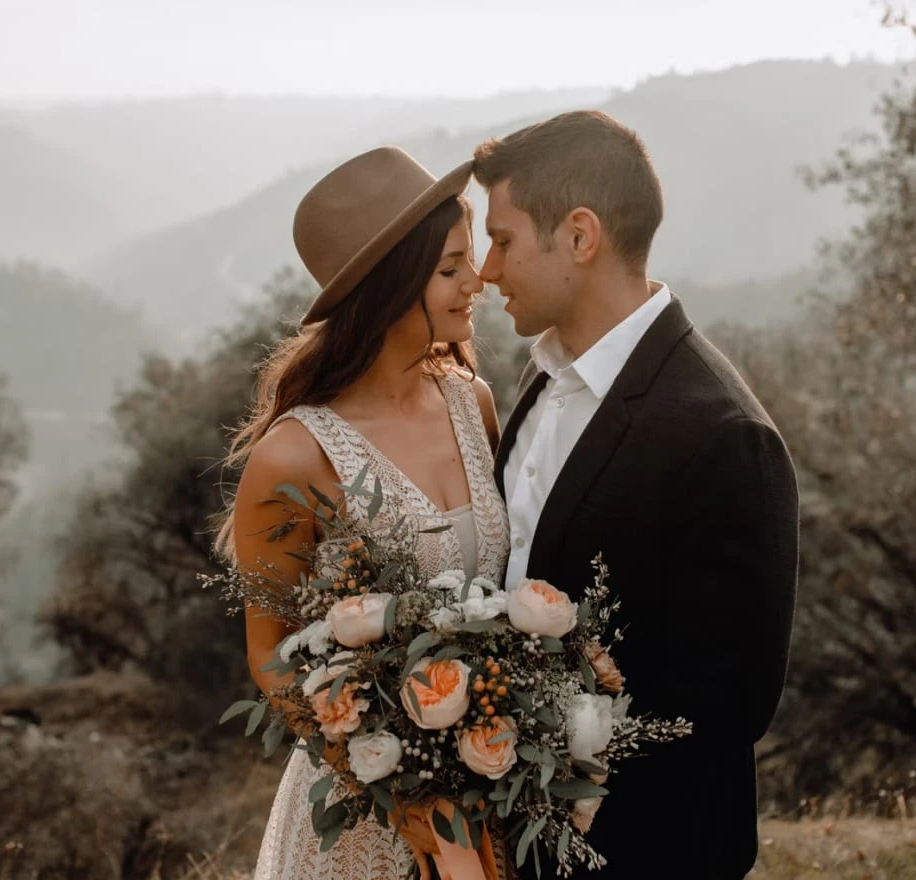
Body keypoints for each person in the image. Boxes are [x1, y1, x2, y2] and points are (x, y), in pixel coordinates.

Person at [473, 110, 799, 878]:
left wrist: (533, 745)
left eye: (505, 239)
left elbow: (726, 705)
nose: (488, 270)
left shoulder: (724, 436)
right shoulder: (541, 373)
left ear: (580, 237)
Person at [217, 146, 511, 880]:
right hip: (361, 822)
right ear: (389, 289)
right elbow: (270, 655)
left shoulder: (473, 404)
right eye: (450, 269)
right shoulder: (293, 458)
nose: (476, 281)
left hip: (493, 795)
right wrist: (394, 785)